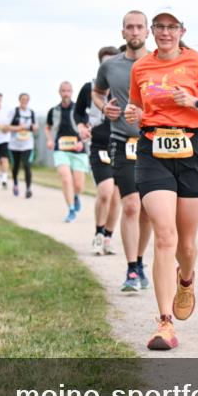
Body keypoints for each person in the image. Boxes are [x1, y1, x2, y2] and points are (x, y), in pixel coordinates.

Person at [124, 6, 198, 351]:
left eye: (171, 27)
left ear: (181, 30)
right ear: (151, 32)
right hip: (153, 150)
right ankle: (164, 323)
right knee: (164, 235)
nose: (164, 33)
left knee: (186, 246)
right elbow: (138, 112)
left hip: (192, 149)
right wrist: (136, 115)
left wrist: (191, 101)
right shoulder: (141, 67)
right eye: (159, 27)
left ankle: (186, 278)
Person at [95, 11, 153, 292]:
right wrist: (103, 107)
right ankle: (131, 270)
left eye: (139, 27)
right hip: (121, 141)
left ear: (147, 32)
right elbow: (98, 92)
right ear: (122, 33)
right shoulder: (110, 66)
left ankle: (140, 261)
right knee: (131, 204)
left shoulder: (158, 63)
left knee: (148, 210)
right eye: (129, 27)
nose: (134, 32)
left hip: (152, 141)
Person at [77, 46, 121, 255]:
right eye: (106, 62)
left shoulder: (124, 86)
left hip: (121, 144)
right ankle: (98, 233)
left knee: (116, 196)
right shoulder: (90, 88)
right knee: (105, 191)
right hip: (99, 144)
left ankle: (109, 237)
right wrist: (81, 127)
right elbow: (78, 114)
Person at [46, 82, 88, 222]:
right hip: (61, 149)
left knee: (78, 185)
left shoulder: (79, 109)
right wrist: (50, 140)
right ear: (59, 92)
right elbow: (47, 127)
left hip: (78, 149)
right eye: (63, 91)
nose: (66, 93)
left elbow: (88, 128)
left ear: (72, 92)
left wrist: (82, 142)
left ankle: (75, 197)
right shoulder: (54, 110)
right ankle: (71, 209)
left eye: (68, 91)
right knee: (65, 179)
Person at [8, 93, 37, 198]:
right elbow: (7, 127)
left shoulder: (32, 113)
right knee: (16, 166)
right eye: (22, 99)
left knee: (27, 165)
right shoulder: (14, 112)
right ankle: (15, 183)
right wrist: (19, 128)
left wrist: (33, 128)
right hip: (14, 144)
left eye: (26, 99)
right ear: (19, 100)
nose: (24, 101)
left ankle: (28, 189)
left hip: (27, 144)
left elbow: (35, 126)